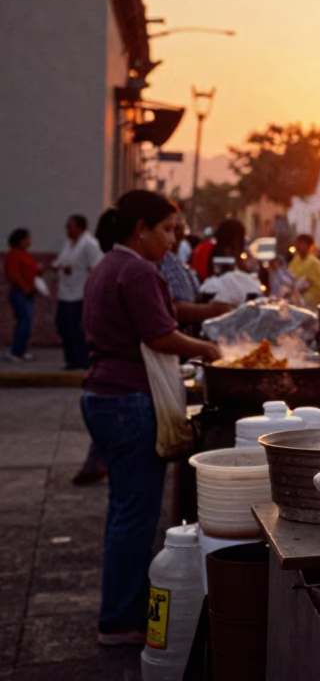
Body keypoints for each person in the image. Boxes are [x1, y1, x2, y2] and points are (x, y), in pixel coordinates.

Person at [80, 190, 221, 645]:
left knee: (125, 511)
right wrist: (210, 349)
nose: (171, 241)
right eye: (165, 230)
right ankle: (120, 620)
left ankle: (121, 607)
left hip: (103, 395)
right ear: (140, 229)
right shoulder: (138, 269)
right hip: (127, 400)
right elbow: (160, 334)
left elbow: (163, 317)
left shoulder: (109, 265)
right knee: (136, 514)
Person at [51, 214, 104, 369]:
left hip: (80, 293)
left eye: (70, 226)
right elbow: (61, 260)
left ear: (80, 227)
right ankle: (71, 360)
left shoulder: (89, 244)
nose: (67, 230)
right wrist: (59, 266)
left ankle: (82, 361)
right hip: (66, 292)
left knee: (77, 329)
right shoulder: (69, 243)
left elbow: (97, 265)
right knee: (63, 326)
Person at [5, 228, 41, 362]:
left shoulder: (24, 254)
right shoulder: (14, 254)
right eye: (27, 239)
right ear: (20, 240)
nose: (29, 242)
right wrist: (25, 287)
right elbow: (13, 274)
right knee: (24, 321)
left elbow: (32, 269)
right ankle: (16, 350)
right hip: (19, 293)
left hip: (28, 293)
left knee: (26, 321)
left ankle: (21, 349)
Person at [289, 234, 320, 309]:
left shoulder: (313, 262)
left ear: (308, 246)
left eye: (301, 244)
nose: (298, 246)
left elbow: (306, 282)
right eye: (297, 244)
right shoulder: (296, 260)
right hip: (306, 292)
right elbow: (290, 275)